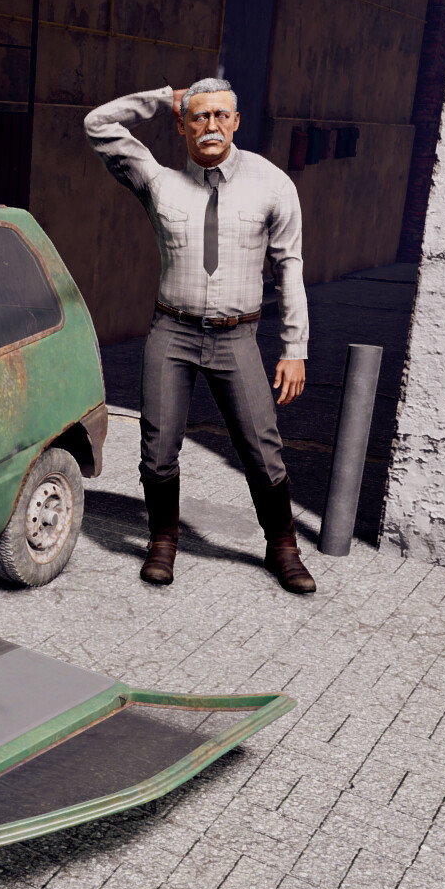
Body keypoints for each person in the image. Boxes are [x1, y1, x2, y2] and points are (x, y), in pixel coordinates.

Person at [84, 78, 314, 593]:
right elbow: (97, 124)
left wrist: (295, 348)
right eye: (199, 116)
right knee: (157, 449)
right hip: (172, 333)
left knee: (263, 449)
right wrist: (161, 98)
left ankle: (283, 548)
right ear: (184, 124)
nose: (211, 125)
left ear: (235, 122)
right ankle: (162, 543)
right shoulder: (157, 180)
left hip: (238, 340)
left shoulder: (272, 184)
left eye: (220, 116)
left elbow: (289, 268)